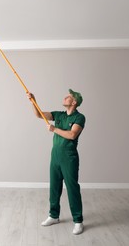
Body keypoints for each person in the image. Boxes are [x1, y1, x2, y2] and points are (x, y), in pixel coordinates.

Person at [27, 89, 85, 235]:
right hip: (56, 156)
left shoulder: (80, 118)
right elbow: (39, 114)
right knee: (54, 187)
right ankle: (54, 216)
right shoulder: (59, 114)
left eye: (69, 97)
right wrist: (33, 101)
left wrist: (54, 129)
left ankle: (78, 221)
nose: (65, 97)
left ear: (74, 102)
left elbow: (72, 135)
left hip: (69, 157)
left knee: (72, 189)